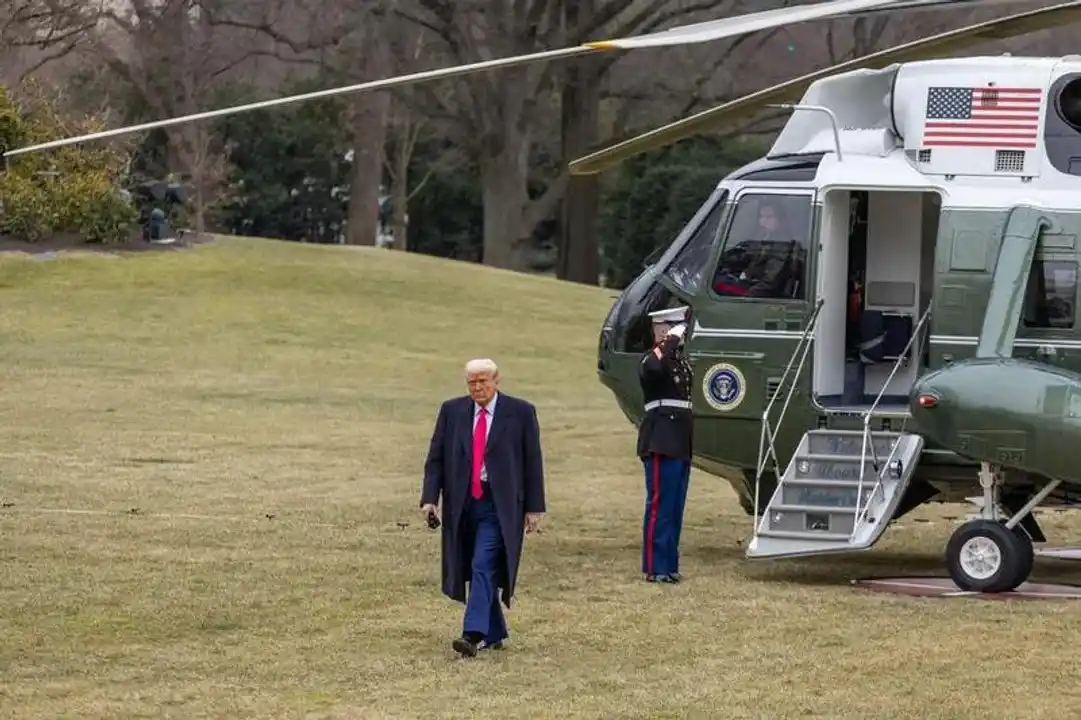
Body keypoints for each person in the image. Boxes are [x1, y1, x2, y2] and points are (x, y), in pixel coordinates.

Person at [420, 357, 546, 657]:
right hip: (462, 503)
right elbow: (435, 457)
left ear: (496, 381)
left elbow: (532, 461)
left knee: (482, 562)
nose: (477, 388)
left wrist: (534, 507)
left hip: (499, 504)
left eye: (482, 381)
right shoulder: (452, 411)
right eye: (471, 382)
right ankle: (495, 630)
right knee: (473, 564)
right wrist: (429, 499)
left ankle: (471, 634)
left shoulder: (520, 412)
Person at [637, 305, 694, 584]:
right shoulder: (652, 359)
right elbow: (653, 369)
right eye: (675, 329)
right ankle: (654, 567)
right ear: (662, 330)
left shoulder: (679, 361)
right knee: (659, 505)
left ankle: (669, 564)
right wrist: (669, 341)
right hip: (661, 437)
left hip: (680, 438)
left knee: (675, 506)